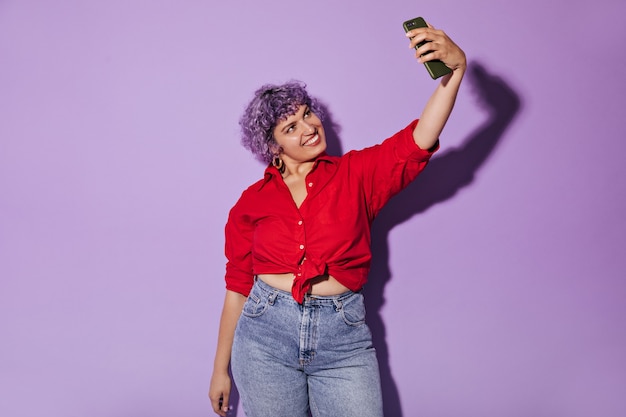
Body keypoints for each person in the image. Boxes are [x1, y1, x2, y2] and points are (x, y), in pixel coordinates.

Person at [209, 22, 466, 417]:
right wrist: (219, 369)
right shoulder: (251, 203)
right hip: (263, 338)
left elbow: (417, 142)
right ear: (273, 147)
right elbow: (238, 285)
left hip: (342, 337)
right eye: (290, 127)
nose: (309, 127)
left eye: (308, 114)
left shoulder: (357, 173)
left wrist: (454, 73)